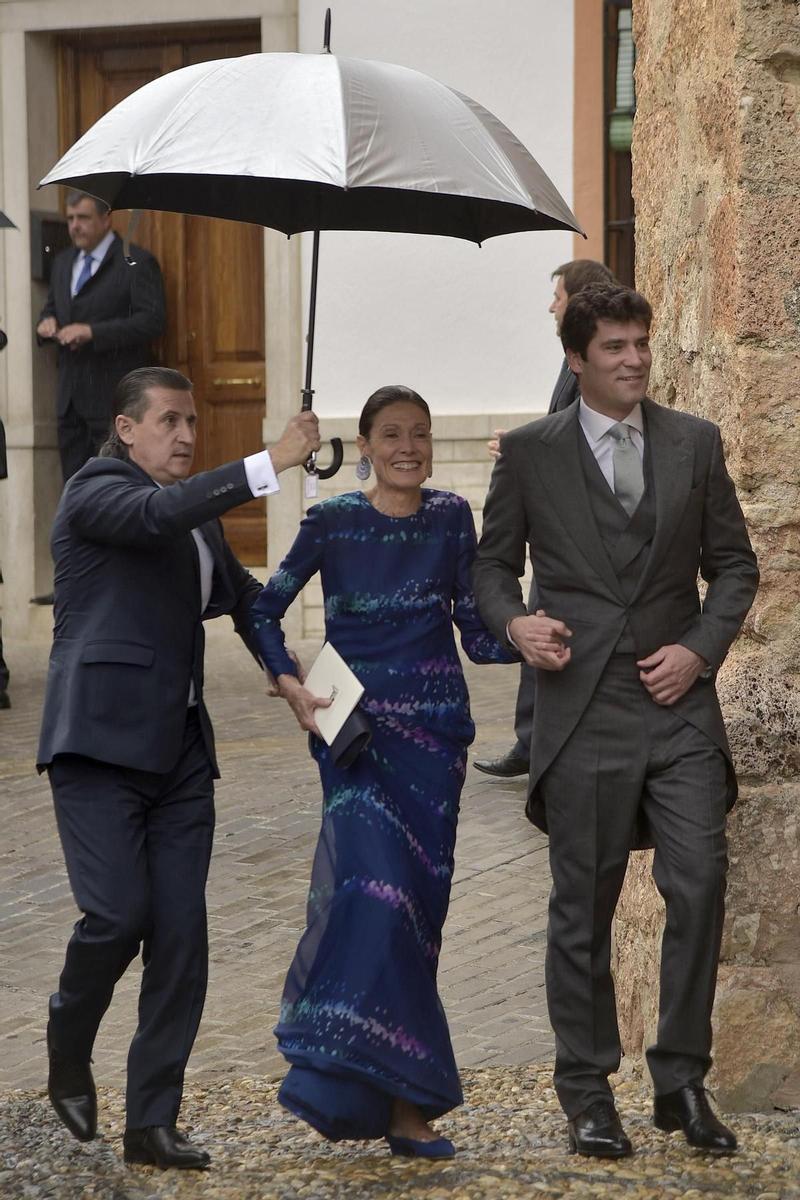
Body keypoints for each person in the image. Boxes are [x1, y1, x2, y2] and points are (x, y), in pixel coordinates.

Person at [473, 284, 758, 1159]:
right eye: (615, 348)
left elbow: (736, 569)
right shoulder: (528, 454)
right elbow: (490, 570)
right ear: (576, 359)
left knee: (700, 881)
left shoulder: (695, 444)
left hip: (679, 710)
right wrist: (517, 624)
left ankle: (679, 1080)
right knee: (581, 909)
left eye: (641, 343)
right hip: (583, 709)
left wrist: (700, 649)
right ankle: (587, 1090)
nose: (634, 359)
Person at [37, 366, 319, 1170]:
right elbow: (155, 515)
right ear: (126, 429)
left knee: (181, 937)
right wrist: (269, 461)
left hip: (182, 758)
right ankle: (68, 1034)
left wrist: (285, 669)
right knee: (118, 917)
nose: (188, 435)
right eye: (169, 421)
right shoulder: (95, 491)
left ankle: (152, 1120)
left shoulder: (198, 520)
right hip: (96, 748)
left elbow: (244, 597)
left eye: (193, 421)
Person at [248, 385, 515, 1159]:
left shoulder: (451, 518)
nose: (409, 447)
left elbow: (474, 630)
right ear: (363, 445)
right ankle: (336, 1071)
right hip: (354, 739)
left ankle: (404, 1106)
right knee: (375, 899)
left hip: (434, 745)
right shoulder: (331, 521)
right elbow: (265, 611)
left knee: (415, 924)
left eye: (421, 435)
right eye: (392, 435)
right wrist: (289, 679)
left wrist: (528, 632)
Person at [474, 259, 615, 779]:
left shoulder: (592, 362)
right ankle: (530, 742)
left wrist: (523, 446)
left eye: (557, 295)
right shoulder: (571, 358)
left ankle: (538, 744)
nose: (551, 304)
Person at [36, 192, 166, 484]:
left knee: (115, 487)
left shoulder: (136, 261)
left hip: (112, 400)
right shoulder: (63, 263)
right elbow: (52, 308)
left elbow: (152, 321)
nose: (74, 226)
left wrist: (93, 332)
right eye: (70, 219)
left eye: (83, 218)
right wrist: (45, 324)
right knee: (75, 489)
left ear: (106, 218)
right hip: (69, 402)